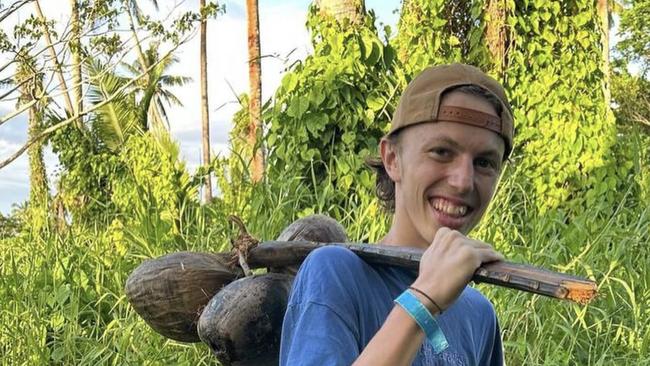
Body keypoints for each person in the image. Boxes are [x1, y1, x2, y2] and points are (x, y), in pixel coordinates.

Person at [279, 63, 514, 366]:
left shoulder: (479, 314)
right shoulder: (336, 274)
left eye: (484, 162)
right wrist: (423, 301)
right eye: (442, 152)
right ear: (392, 158)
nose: (463, 181)